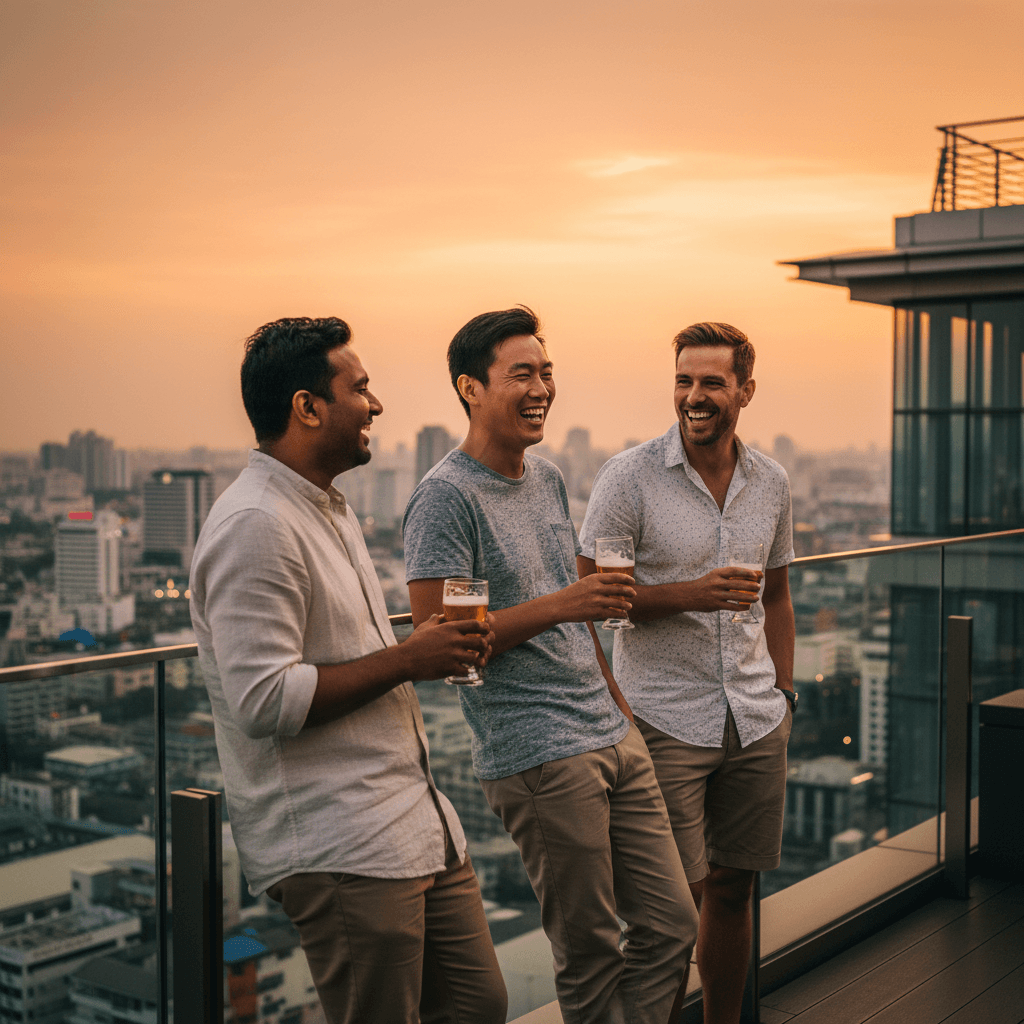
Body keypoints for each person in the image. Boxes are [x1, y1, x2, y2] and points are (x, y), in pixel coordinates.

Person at [189, 316, 506, 1024]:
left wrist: (409, 654)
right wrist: (407, 658)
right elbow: (263, 699)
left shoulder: (326, 510)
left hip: (413, 820)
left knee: (478, 1006)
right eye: (359, 388)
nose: (376, 404)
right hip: (341, 842)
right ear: (307, 407)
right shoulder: (256, 524)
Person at [403, 306, 699, 1024]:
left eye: (547, 372)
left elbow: (580, 609)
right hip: (537, 749)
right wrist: (564, 603)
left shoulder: (549, 479)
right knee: (591, 950)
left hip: (608, 730)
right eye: (521, 374)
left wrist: (617, 703)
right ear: (471, 388)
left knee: (673, 926)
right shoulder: (446, 498)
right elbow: (442, 640)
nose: (541, 388)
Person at [579, 321, 797, 1024]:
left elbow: (780, 594)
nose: (694, 396)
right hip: (662, 722)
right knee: (668, 913)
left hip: (756, 718)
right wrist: (692, 594)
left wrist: (785, 694)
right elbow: (591, 600)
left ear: (745, 390)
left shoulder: (772, 483)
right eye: (683, 380)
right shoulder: (628, 476)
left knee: (735, 889)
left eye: (711, 382)